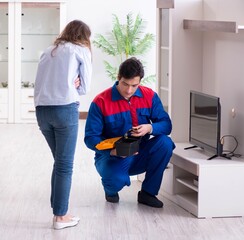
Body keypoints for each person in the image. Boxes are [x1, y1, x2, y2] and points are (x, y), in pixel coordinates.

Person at [84, 57, 174, 208]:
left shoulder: (149, 96)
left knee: (165, 143)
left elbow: (166, 125)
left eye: (134, 85)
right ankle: (110, 189)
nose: (129, 90)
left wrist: (149, 128)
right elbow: (90, 138)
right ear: (118, 77)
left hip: (141, 154)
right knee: (115, 181)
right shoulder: (100, 102)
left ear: (140, 82)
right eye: (125, 84)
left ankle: (148, 193)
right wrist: (112, 152)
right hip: (111, 158)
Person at [34, 20, 92, 230]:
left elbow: (39, 83)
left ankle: (58, 210)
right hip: (64, 109)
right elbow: (85, 86)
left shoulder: (48, 51)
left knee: (59, 162)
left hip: (42, 111)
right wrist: (75, 84)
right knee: (64, 165)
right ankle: (61, 216)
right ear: (84, 36)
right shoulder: (80, 50)